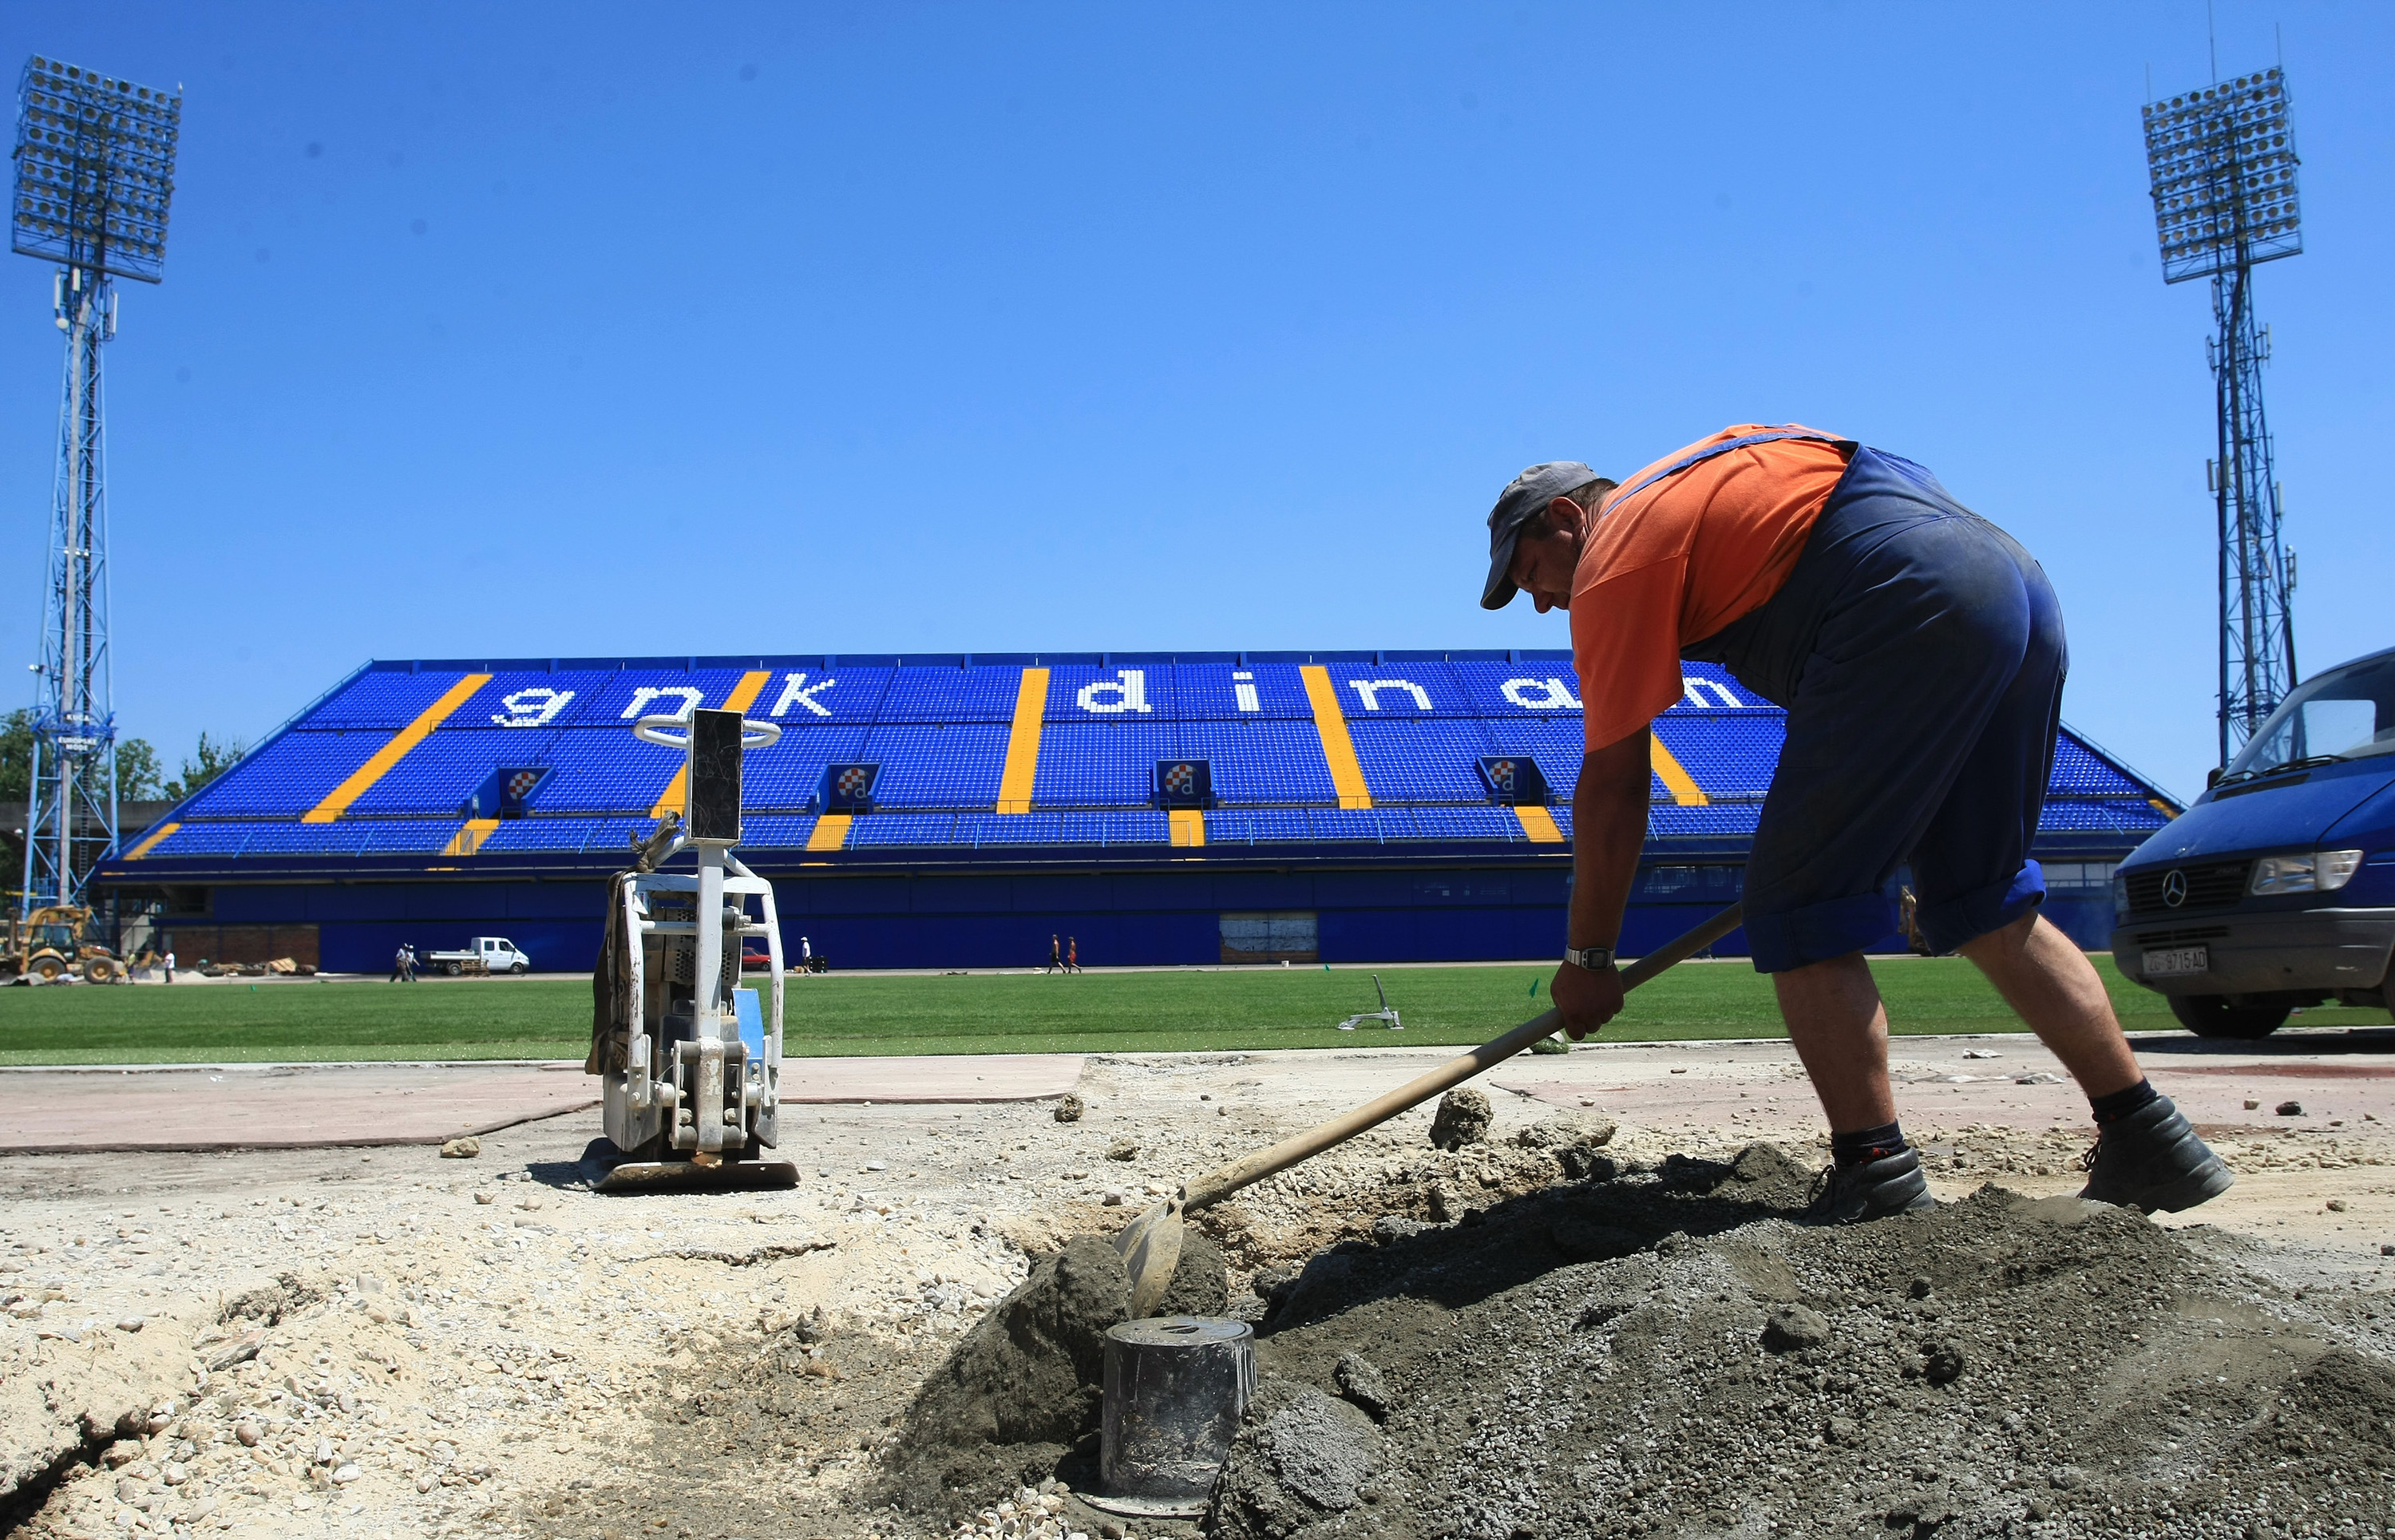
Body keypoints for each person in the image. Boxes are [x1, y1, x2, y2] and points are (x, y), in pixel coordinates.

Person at [1480, 426, 2232, 1222]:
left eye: (1531, 574)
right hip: (2008, 582)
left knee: (1798, 907)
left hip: (1905, 600)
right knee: (1984, 893)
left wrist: (1589, 958)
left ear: (1567, 517)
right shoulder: (1707, 469)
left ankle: (1876, 1176)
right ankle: (2148, 1136)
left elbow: (1615, 785)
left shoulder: (1613, 557)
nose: (1541, 600)